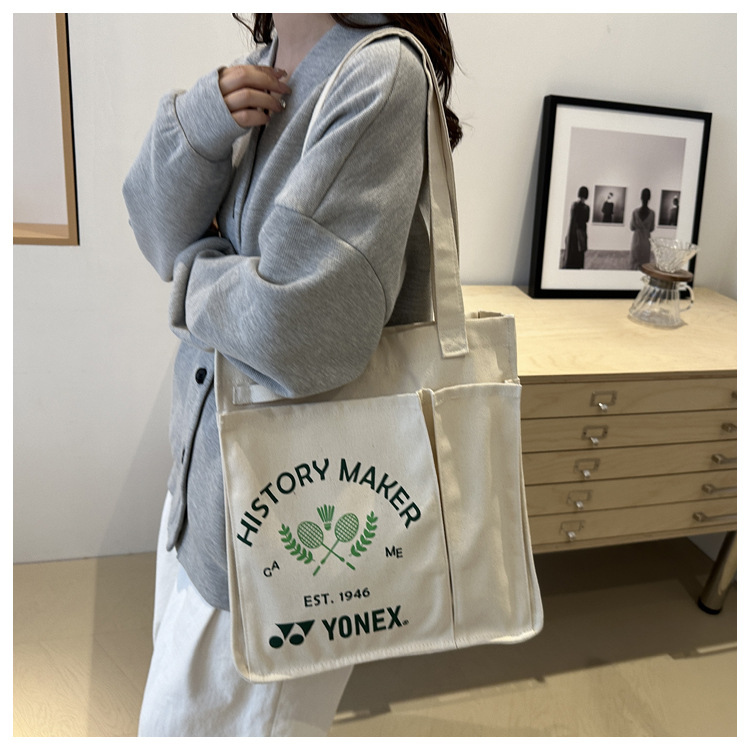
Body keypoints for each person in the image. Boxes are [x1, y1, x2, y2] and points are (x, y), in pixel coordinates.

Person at [123, 12, 462, 737]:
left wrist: (194, 272)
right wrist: (203, 118)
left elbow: (300, 330)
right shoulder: (265, 58)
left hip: (283, 526)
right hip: (205, 492)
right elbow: (156, 233)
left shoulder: (379, 73)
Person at [563, 186, 590, 269]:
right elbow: (586, 219)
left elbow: (574, 218)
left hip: (573, 230)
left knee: (573, 249)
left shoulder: (574, 205)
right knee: (580, 250)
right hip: (581, 231)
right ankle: (578, 265)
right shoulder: (586, 208)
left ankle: (570, 265)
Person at [630, 188, 656, 270]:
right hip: (646, 240)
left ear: (641, 197)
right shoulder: (652, 213)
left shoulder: (635, 212)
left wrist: (639, 228)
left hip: (636, 239)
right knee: (645, 263)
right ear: (649, 198)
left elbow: (632, 227)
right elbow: (652, 228)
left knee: (634, 262)